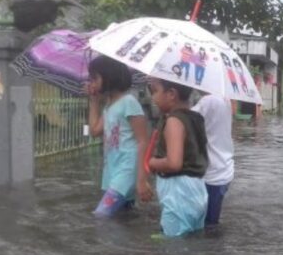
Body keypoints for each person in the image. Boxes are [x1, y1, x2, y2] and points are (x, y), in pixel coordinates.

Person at [86, 56, 152, 217]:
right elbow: (94, 131)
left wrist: (141, 179)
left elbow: (143, 140)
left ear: (108, 77)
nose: (91, 83)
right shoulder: (109, 106)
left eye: (94, 78)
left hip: (127, 170)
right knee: (122, 218)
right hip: (113, 170)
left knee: (101, 216)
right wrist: (94, 101)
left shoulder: (129, 102)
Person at [147, 78, 209, 237]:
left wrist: (153, 163)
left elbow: (174, 163)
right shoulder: (196, 118)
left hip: (178, 193)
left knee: (173, 247)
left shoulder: (174, 121)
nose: (152, 97)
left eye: (154, 91)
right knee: (193, 240)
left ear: (171, 94)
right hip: (198, 189)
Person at [192, 93, 234, 227]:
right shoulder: (225, 99)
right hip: (224, 168)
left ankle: (211, 246)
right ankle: (214, 246)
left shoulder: (208, 101)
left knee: (206, 223)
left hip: (213, 172)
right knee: (211, 221)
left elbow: (187, 119)